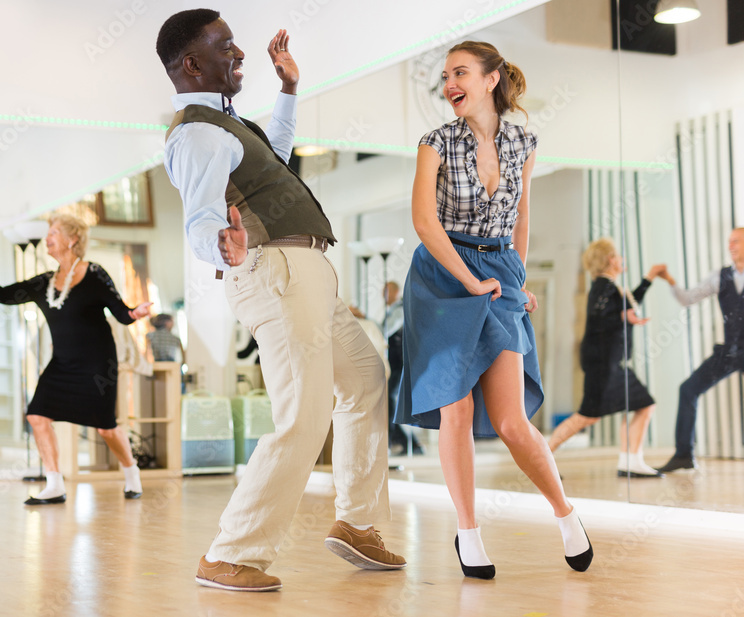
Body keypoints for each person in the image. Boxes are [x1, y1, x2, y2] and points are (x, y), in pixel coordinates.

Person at [158, 9, 404, 592]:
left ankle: (358, 521)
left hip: (305, 271)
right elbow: (198, 216)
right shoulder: (196, 133)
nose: (240, 54)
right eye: (226, 46)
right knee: (304, 414)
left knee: (366, 378)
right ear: (192, 63)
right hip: (273, 270)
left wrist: (290, 89)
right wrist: (223, 243)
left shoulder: (228, 125)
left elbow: (277, 159)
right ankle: (230, 552)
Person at [396, 41, 592, 579]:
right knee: (455, 411)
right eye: (444, 77)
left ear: (491, 78)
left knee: (510, 420)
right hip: (441, 278)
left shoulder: (524, 142)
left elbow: (521, 219)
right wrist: (469, 279)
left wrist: (516, 279)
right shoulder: (434, 143)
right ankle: (468, 531)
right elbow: (424, 223)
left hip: (499, 271)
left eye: (459, 73)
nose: (448, 85)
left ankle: (566, 514)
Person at [0, 213, 151, 505]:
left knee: (106, 428)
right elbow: (0, 294)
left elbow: (121, 313)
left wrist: (136, 313)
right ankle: (54, 485)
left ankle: (131, 474)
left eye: (53, 232)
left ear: (73, 238)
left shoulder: (94, 273)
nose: (47, 238)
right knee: (37, 416)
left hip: (98, 365)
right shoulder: (44, 283)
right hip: (62, 364)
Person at [548, 239, 664, 477]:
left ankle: (630, 461)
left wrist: (649, 278)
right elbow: (599, 316)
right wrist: (623, 317)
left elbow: (626, 304)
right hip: (604, 364)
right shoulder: (605, 286)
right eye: (619, 256)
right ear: (611, 259)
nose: (622, 260)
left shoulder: (607, 286)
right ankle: (542, 458)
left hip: (607, 363)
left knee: (638, 405)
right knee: (587, 417)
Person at [656, 227, 744, 472]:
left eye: (736, 241)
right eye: (729, 242)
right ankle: (684, 455)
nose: (731, 245)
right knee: (688, 390)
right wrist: (671, 280)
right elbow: (688, 298)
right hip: (730, 351)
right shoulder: (720, 276)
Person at [383, 281, 423, 456]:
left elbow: (385, 331)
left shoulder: (399, 310)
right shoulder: (394, 310)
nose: (382, 295)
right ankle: (409, 443)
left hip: (401, 366)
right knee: (391, 402)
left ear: (395, 292)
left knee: (391, 401)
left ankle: (402, 442)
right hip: (396, 365)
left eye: (385, 291)